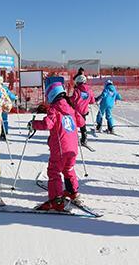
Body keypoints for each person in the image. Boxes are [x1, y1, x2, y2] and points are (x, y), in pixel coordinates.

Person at [29, 78, 86, 211]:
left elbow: (47, 124)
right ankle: (72, 192)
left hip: (60, 148)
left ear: (51, 95)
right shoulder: (70, 108)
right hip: (73, 148)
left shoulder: (54, 109)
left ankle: (56, 200)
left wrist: (33, 124)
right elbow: (82, 122)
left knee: (54, 172)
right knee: (69, 169)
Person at [70, 74, 95, 146]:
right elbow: (92, 101)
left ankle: (73, 138)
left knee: (73, 124)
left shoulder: (77, 90)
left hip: (76, 110)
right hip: (84, 110)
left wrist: (68, 99)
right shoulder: (89, 90)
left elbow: (73, 99)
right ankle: (84, 138)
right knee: (82, 124)